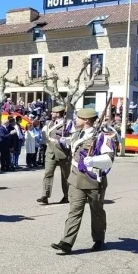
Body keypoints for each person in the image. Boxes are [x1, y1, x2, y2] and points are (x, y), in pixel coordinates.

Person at [51, 108, 115, 254]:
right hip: (75, 179)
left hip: (93, 180)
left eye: (78, 117)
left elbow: (109, 159)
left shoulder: (102, 137)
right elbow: (71, 149)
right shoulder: (77, 135)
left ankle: (99, 240)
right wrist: (63, 142)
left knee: (97, 212)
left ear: (86, 120)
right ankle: (66, 242)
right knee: (74, 211)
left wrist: (93, 161)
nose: (76, 119)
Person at [37, 106, 73, 205]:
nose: (51, 114)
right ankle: (45, 196)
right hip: (50, 152)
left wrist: (65, 140)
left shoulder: (68, 123)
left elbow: (73, 137)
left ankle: (66, 196)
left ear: (58, 113)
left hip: (63, 152)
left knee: (65, 176)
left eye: (53, 112)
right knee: (48, 173)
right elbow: (44, 135)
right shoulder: (49, 123)